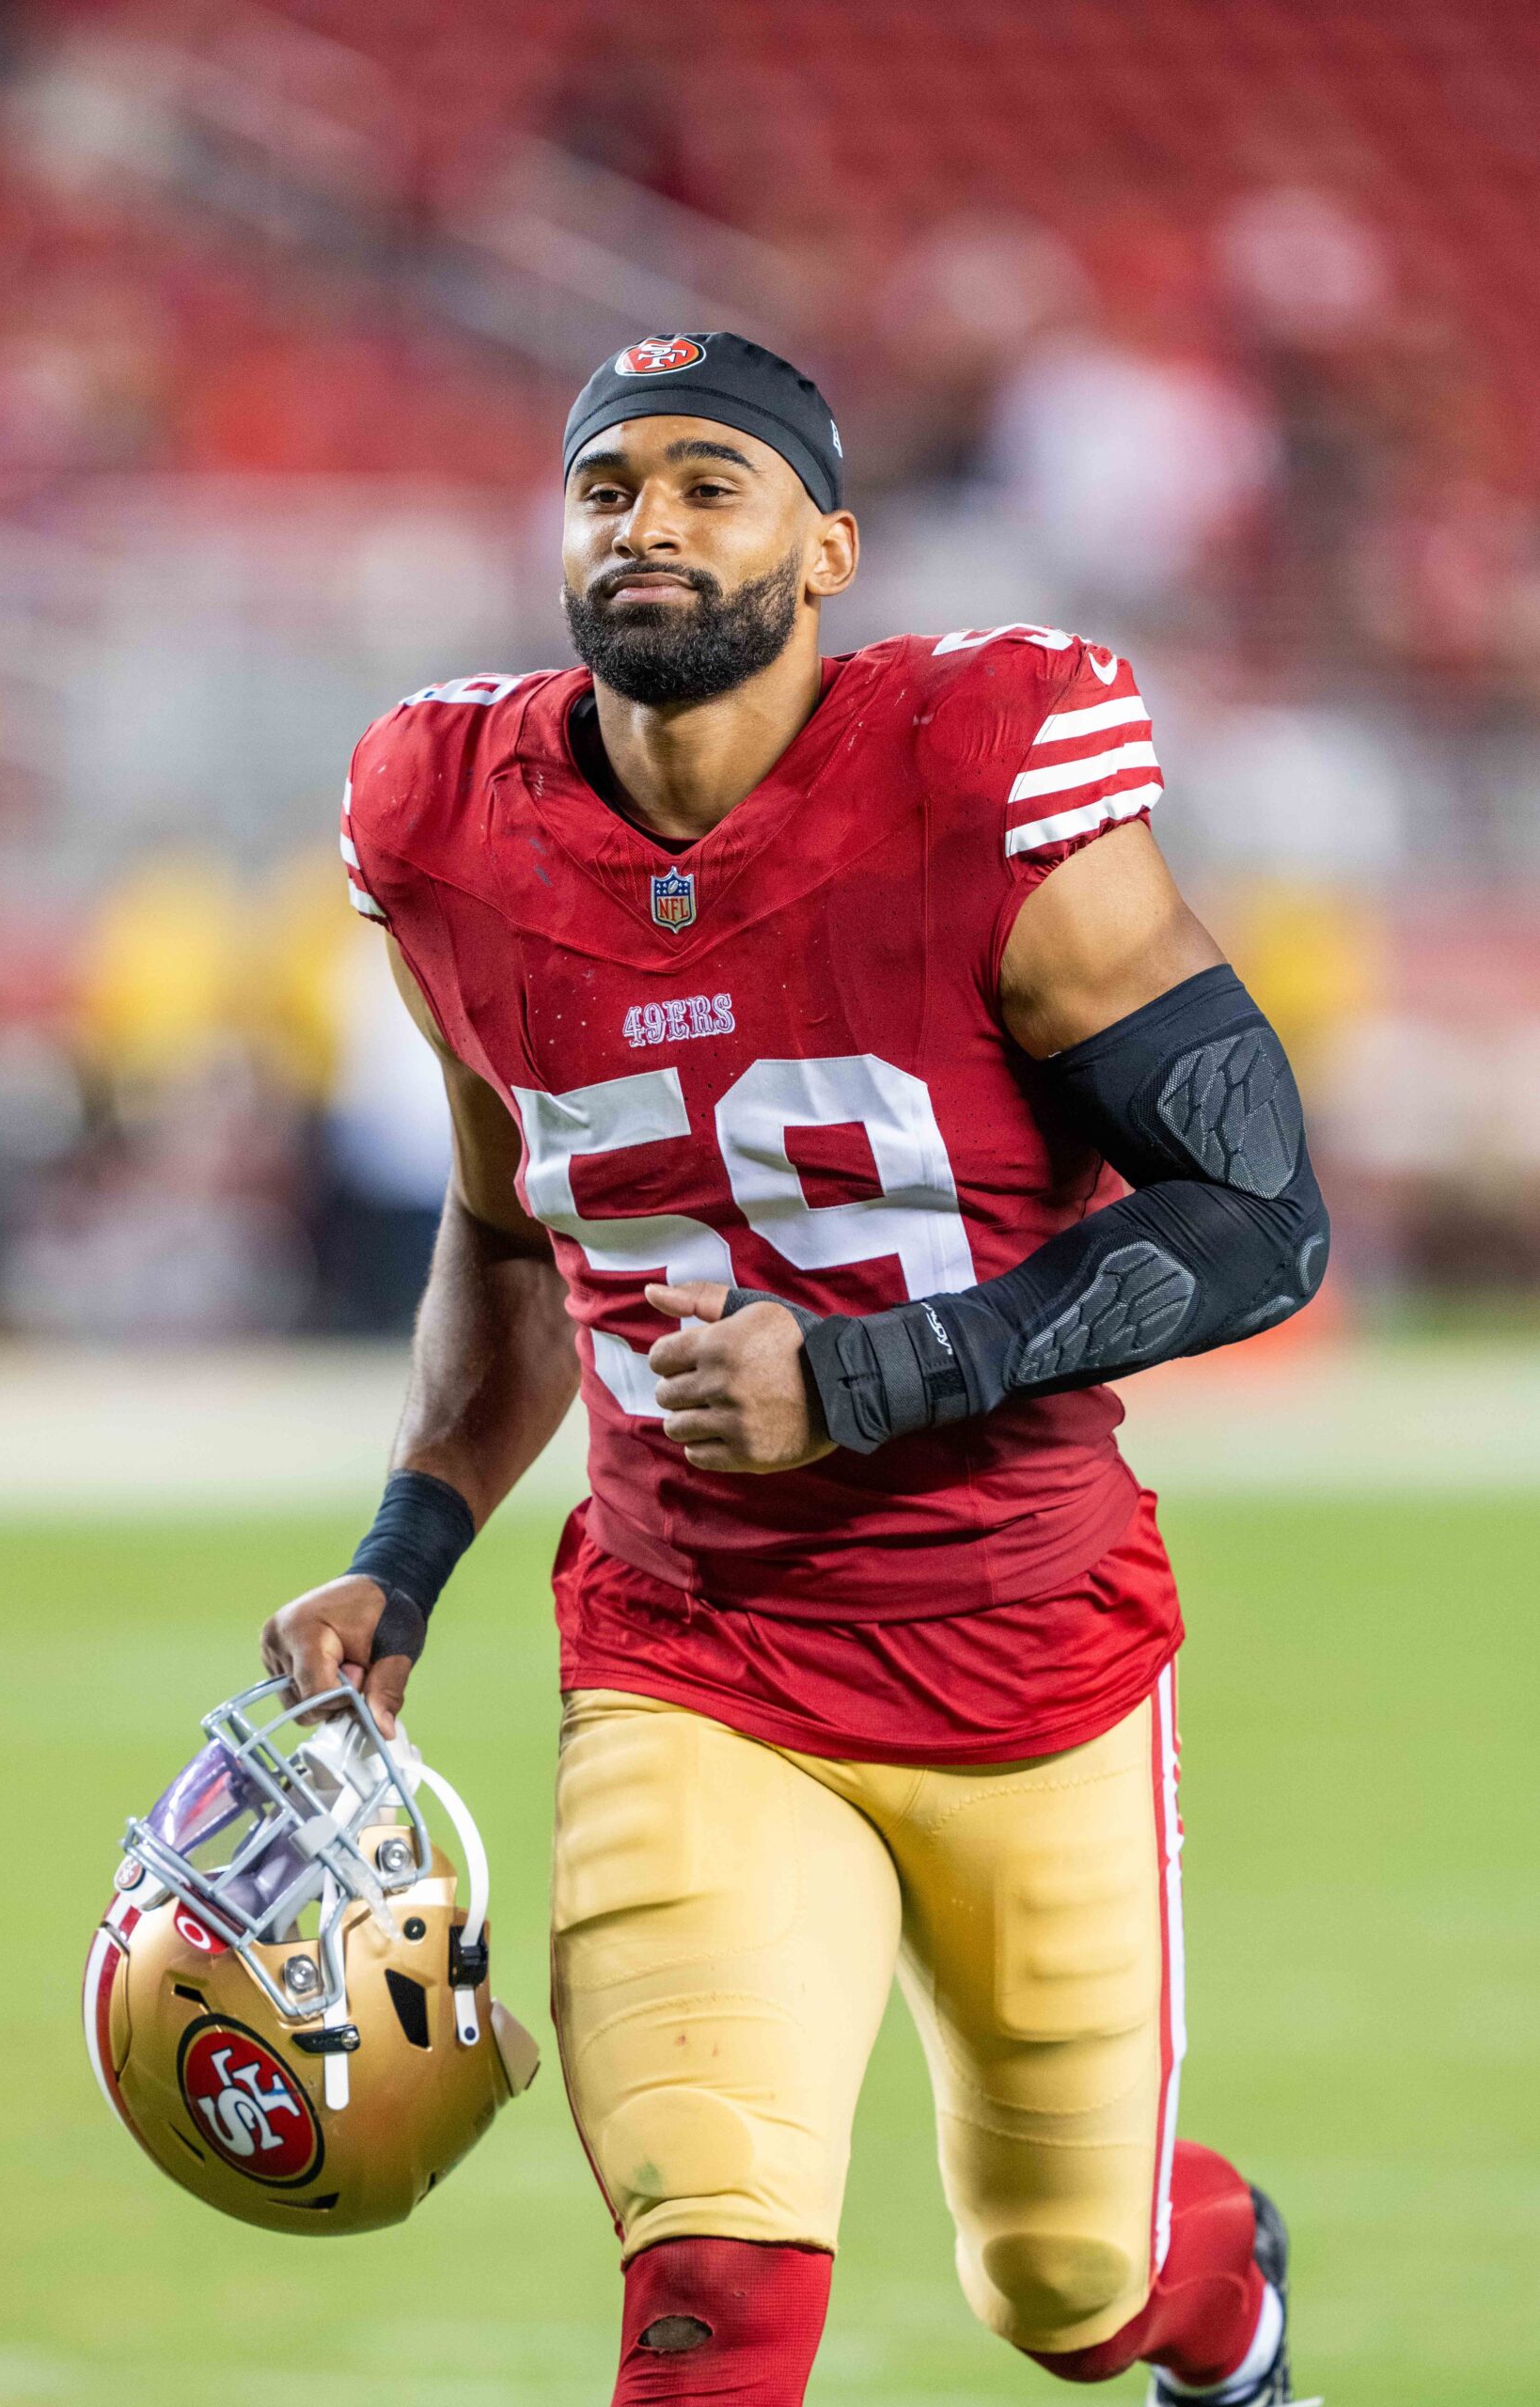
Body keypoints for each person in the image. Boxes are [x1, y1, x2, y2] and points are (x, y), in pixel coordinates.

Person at [262, 333, 1327, 2407]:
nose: (642, 520)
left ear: (826, 542)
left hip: (1024, 1649)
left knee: (1072, 2289)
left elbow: (1261, 1212)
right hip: (693, 1655)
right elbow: (507, 1230)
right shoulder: (449, 824)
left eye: (705, 481)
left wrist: (866, 1375)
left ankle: (1229, 2293)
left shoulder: (976, 776)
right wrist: (406, 1543)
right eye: (602, 487)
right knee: (713, 2291)